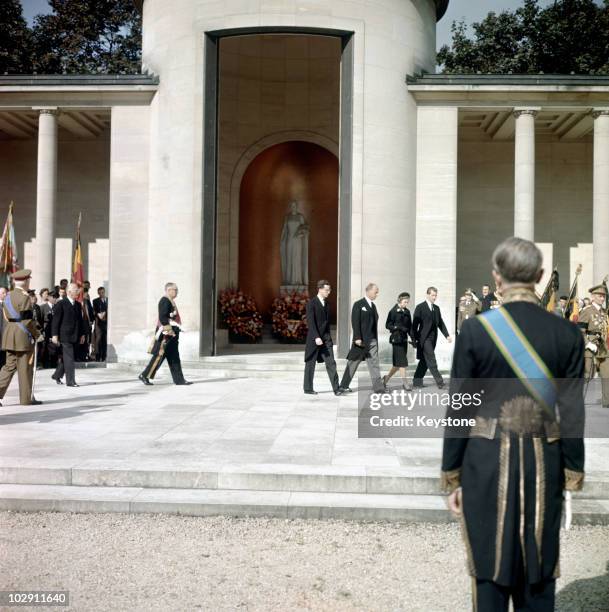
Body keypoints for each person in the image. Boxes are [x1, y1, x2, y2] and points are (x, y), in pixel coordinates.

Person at [442, 237, 585, 612]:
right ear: (539, 276)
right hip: (544, 461)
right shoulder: (567, 333)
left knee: (488, 567)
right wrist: (572, 470)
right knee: (538, 570)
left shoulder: (475, 331)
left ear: (497, 277)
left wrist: (451, 473)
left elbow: (460, 408)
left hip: (485, 461)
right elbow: (571, 412)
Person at [0, 270, 43, 406]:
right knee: (24, 368)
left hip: (10, 334)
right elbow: (27, 321)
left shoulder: (7, 296)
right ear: (25, 282)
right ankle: (26, 399)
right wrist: (37, 334)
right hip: (22, 336)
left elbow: (7, 317)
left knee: (8, 367)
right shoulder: (24, 297)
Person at [139, 282, 191, 385]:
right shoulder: (164, 301)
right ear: (168, 290)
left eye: (177, 290)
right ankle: (144, 375)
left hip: (172, 334)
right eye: (175, 290)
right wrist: (170, 330)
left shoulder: (170, 301)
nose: (177, 292)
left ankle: (179, 380)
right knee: (159, 356)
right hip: (166, 335)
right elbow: (163, 317)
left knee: (174, 357)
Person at [339, 283, 385, 393]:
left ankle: (378, 388)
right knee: (353, 362)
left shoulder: (373, 306)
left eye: (377, 292)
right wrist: (357, 337)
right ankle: (343, 385)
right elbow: (355, 321)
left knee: (374, 364)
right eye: (376, 292)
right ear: (368, 291)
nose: (377, 294)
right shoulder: (358, 304)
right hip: (361, 341)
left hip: (372, 341)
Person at [303, 280, 341, 395]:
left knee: (331, 363)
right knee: (310, 363)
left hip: (326, 339)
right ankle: (308, 388)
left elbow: (327, 323)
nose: (328, 292)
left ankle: (336, 388)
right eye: (326, 290)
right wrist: (316, 337)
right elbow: (311, 322)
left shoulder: (327, 304)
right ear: (319, 289)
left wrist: (328, 337)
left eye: (329, 290)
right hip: (314, 339)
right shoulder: (311, 303)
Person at [412, 287, 452, 389]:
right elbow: (414, 325)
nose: (435, 297)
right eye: (433, 295)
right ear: (428, 295)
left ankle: (417, 381)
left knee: (425, 360)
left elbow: (440, 323)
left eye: (435, 295)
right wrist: (415, 339)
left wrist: (447, 335)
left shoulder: (436, 308)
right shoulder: (420, 307)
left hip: (433, 338)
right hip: (424, 339)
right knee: (431, 359)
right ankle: (440, 382)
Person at [578, 283, 608, 408]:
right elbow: (580, 331)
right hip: (590, 346)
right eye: (600, 296)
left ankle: (607, 401)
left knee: (607, 374)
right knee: (587, 375)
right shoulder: (587, 311)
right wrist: (588, 344)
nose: (602, 298)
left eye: (604, 296)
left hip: (602, 346)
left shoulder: (604, 312)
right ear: (593, 296)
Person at [51, 283, 86, 387]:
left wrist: (82, 334)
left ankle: (57, 375)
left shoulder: (78, 305)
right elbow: (55, 321)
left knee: (67, 357)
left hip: (75, 335)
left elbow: (80, 321)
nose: (78, 292)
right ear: (69, 292)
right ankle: (70, 381)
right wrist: (54, 335)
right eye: (76, 290)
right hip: (65, 336)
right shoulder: (61, 304)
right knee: (70, 358)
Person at [383, 292, 413, 391]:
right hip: (396, 340)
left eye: (407, 302)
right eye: (405, 302)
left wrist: (413, 339)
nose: (406, 304)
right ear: (400, 301)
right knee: (402, 362)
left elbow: (410, 327)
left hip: (404, 340)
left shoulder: (407, 312)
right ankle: (405, 383)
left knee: (397, 364)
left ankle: (386, 379)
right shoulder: (393, 311)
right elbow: (387, 325)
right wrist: (397, 327)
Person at [41, 291, 58, 369]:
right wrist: (42, 331)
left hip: (54, 330)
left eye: (56, 297)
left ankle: (54, 363)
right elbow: (40, 319)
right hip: (46, 329)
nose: (55, 298)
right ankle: (45, 363)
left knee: (54, 347)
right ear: (49, 297)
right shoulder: (43, 307)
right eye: (53, 297)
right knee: (45, 347)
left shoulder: (57, 306)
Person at [92, 287, 108, 362]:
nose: (101, 294)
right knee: (98, 339)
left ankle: (104, 356)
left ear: (104, 292)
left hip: (107, 323)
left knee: (105, 340)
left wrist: (106, 314)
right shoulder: (95, 301)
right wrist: (99, 315)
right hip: (99, 323)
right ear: (98, 293)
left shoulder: (108, 300)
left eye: (103, 292)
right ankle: (98, 356)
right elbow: (94, 310)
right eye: (100, 292)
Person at [0, 285, 7, 369]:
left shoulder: (8, 305)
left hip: (6, 334)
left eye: (5, 293)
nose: (5, 294)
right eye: (3, 293)